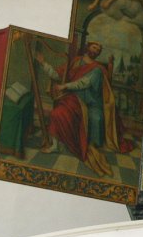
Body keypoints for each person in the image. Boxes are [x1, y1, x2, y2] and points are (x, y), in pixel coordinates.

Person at [35, 41, 131, 176]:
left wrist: (65, 86)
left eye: (98, 49)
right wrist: (43, 63)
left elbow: (84, 83)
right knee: (57, 113)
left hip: (89, 103)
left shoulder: (98, 69)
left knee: (94, 118)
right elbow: (58, 75)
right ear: (87, 47)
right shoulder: (76, 61)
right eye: (94, 47)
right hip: (73, 99)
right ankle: (55, 145)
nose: (96, 50)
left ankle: (77, 141)